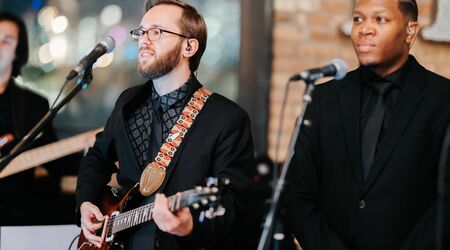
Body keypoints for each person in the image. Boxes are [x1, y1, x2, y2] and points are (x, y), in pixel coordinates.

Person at [75, 0, 254, 249]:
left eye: (156, 32)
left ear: (189, 46)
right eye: (141, 32)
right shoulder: (128, 103)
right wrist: (86, 202)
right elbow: (96, 157)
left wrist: (190, 226)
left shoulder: (226, 119)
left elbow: (233, 204)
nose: (143, 40)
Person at [285, 0, 450, 249]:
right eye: (358, 19)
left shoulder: (443, 99)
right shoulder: (323, 99)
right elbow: (298, 193)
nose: (365, 29)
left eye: (380, 19)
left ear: (410, 31)